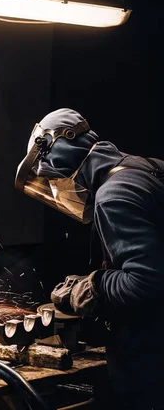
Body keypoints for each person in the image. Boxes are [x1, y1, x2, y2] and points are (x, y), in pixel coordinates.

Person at [15, 108, 164, 410]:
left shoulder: (114, 194)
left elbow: (147, 282)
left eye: (52, 180)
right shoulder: (144, 168)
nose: (55, 189)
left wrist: (89, 288)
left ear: (59, 156)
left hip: (152, 365)